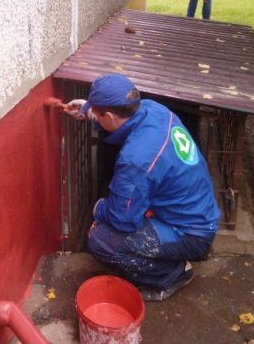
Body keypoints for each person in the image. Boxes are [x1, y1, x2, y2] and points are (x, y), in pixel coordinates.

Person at [66, 74, 220, 302]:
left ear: (109, 115)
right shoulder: (153, 109)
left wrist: (99, 209)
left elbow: (122, 219)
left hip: (191, 233)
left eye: (98, 113)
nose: (95, 116)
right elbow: (123, 124)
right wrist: (90, 113)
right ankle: (168, 256)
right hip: (200, 212)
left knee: (101, 239)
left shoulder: (136, 160)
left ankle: (173, 275)